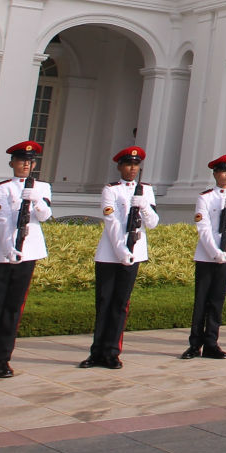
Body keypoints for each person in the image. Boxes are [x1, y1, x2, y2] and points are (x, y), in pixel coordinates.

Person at [0, 140, 50, 379]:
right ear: (12, 163)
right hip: (3, 254)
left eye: (29, 161)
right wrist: (9, 248)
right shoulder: (3, 188)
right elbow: (2, 219)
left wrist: (36, 199)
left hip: (29, 252)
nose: (25, 165)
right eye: (21, 161)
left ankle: (3, 359)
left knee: (13, 309)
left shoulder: (42, 187)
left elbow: (45, 216)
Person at [82, 145, 156, 370]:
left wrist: (143, 208)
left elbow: (152, 223)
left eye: (136, 165)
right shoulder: (111, 190)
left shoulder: (146, 191)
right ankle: (97, 352)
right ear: (120, 167)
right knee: (104, 302)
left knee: (121, 304)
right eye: (128, 165)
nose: (132, 169)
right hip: (110, 254)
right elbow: (111, 222)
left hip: (134, 254)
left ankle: (113, 352)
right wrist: (121, 250)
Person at [184, 154, 226, 359]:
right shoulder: (205, 197)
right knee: (201, 301)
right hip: (207, 255)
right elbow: (202, 228)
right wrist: (214, 252)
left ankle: (212, 342)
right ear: (215, 174)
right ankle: (195, 344)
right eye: (223, 171)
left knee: (217, 300)